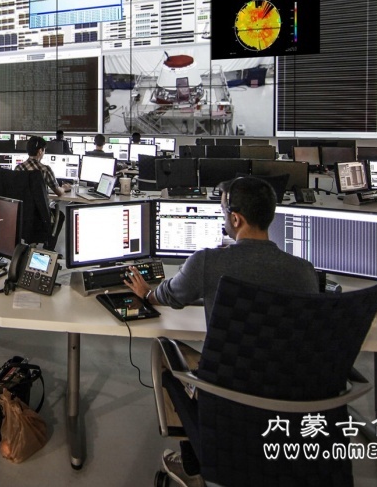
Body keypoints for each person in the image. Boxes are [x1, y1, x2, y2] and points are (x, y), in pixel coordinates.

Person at [122, 176, 317, 485]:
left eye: (223, 211)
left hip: (227, 394)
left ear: (236, 219)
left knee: (164, 348)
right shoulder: (304, 271)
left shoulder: (208, 262)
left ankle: (194, 459)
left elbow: (169, 296)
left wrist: (146, 293)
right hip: (288, 397)